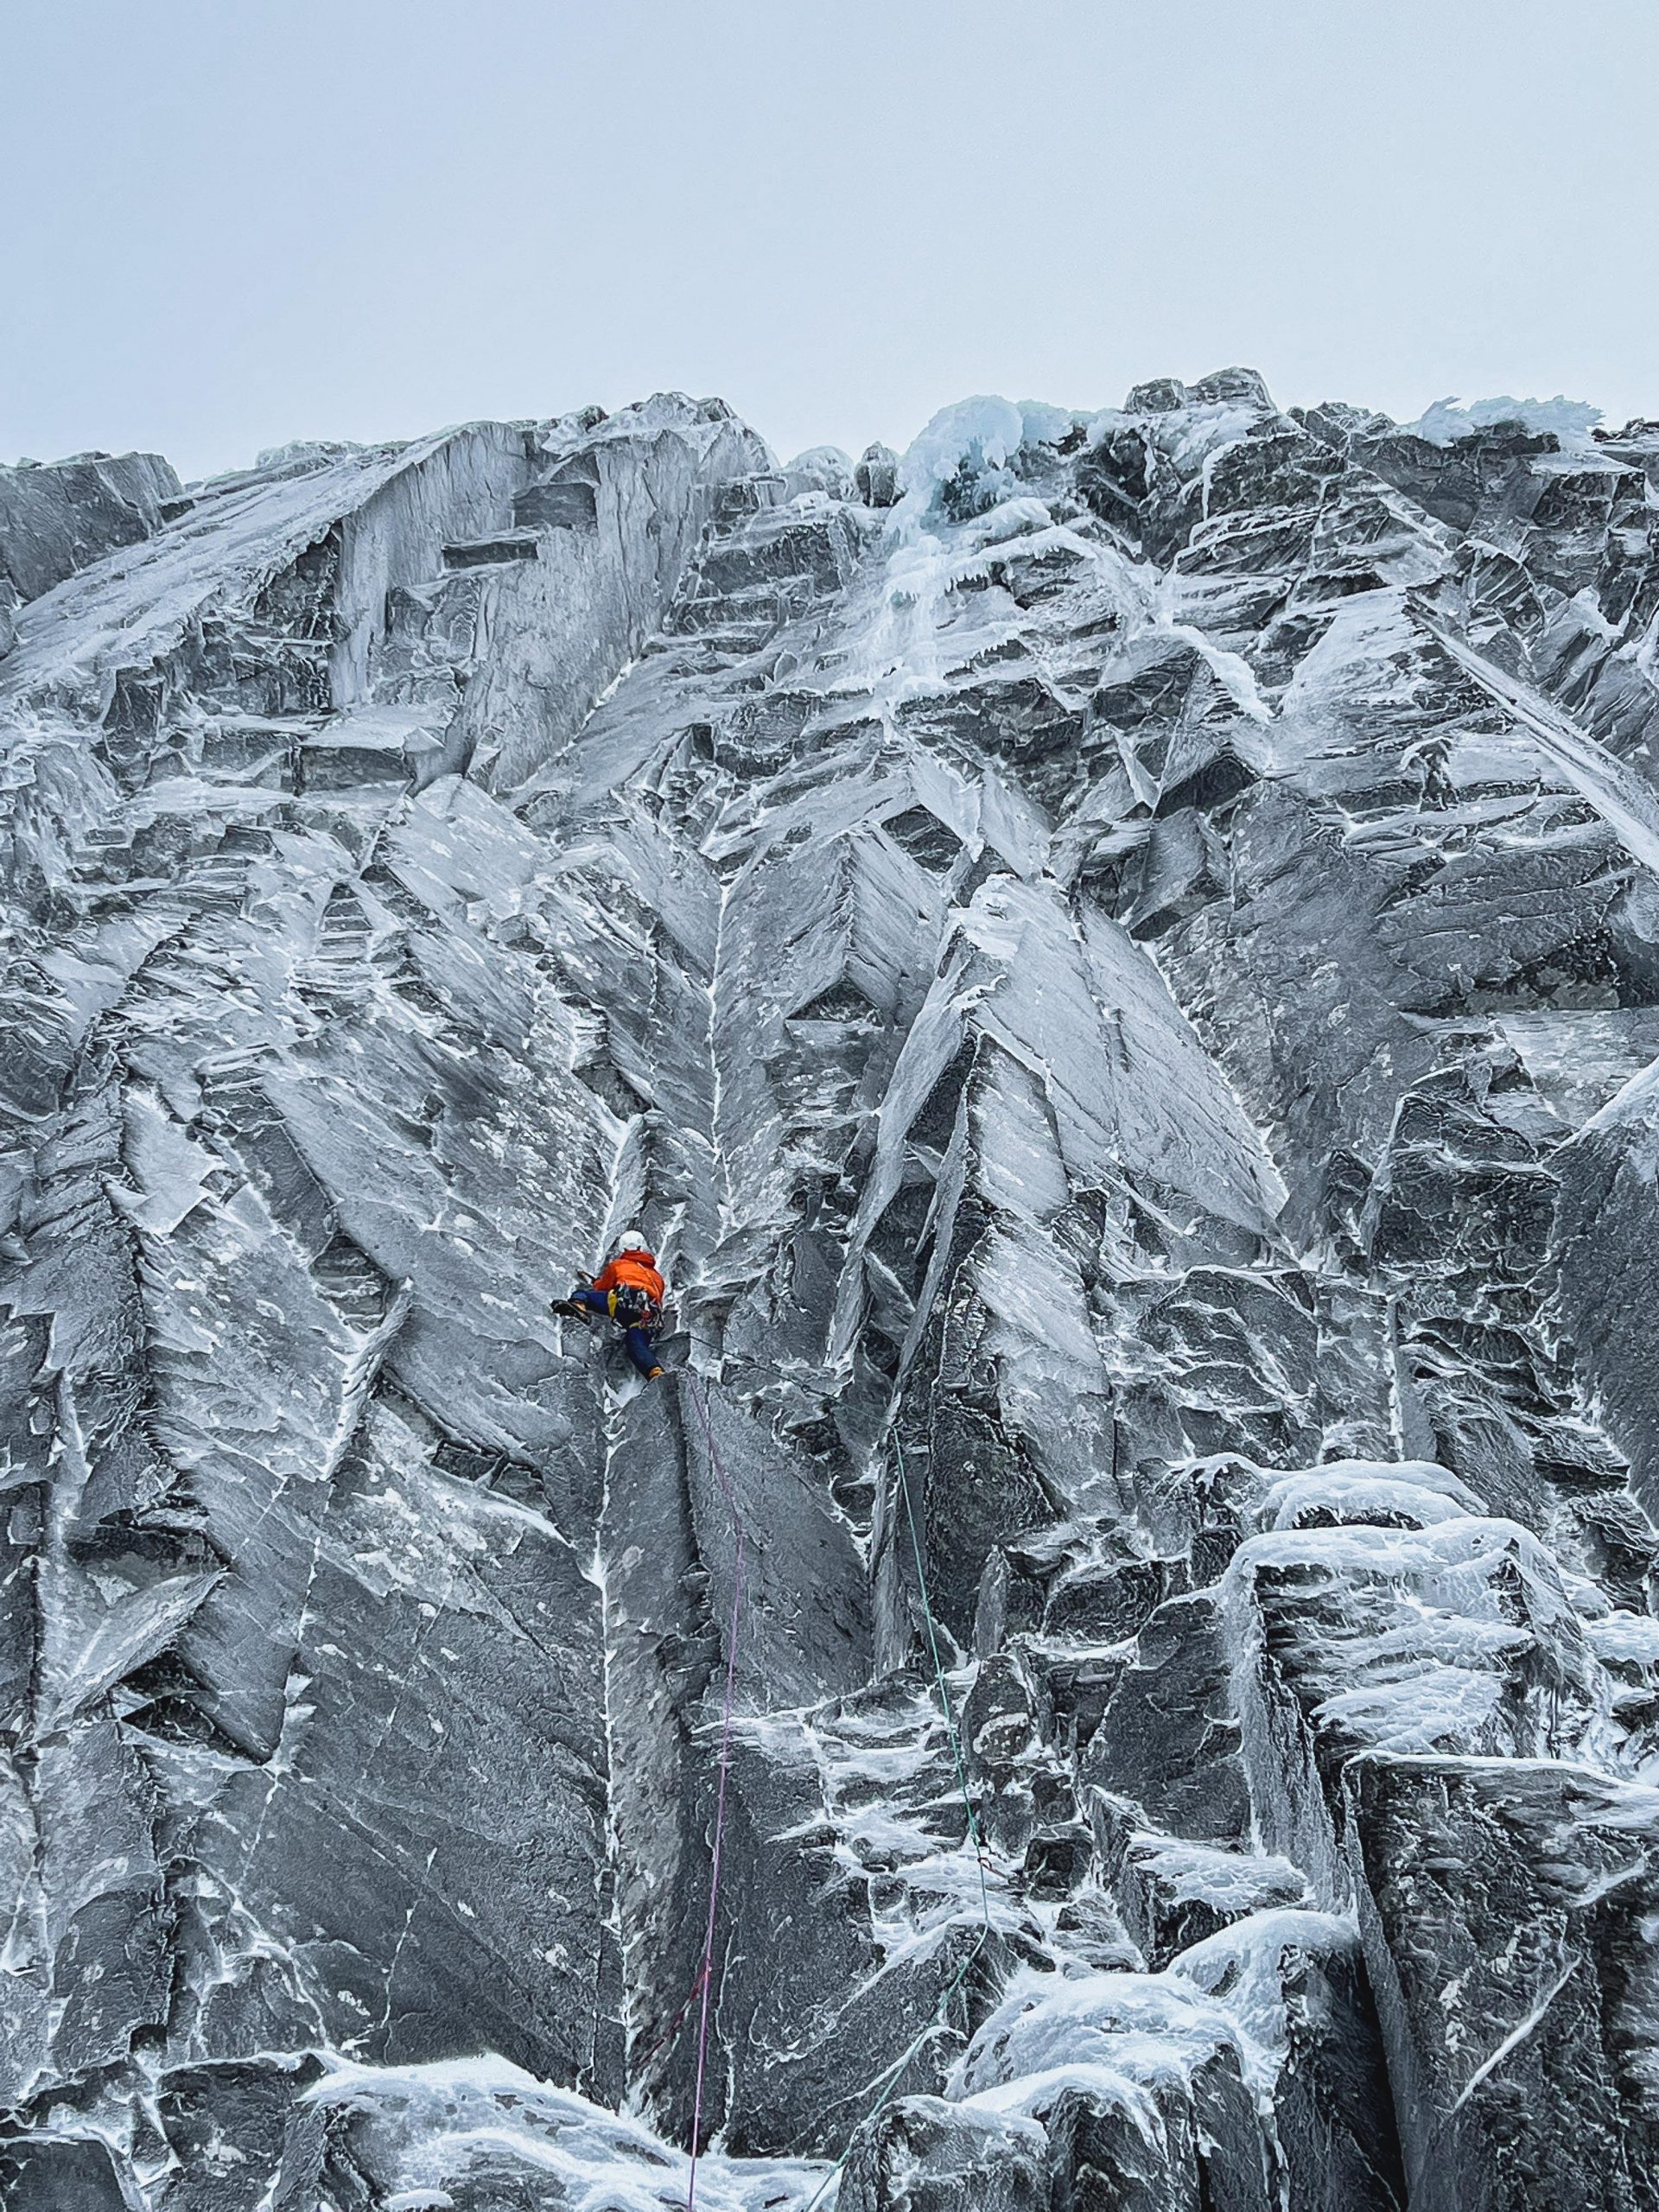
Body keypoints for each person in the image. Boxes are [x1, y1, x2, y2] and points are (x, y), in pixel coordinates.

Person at [554, 1231, 666, 1380]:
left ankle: (578, 1306)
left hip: (624, 1301)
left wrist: (594, 1282)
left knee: (585, 1295)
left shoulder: (618, 1265)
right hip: (648, 1314)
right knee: (636, 1345)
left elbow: (602, 1287)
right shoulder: (657, 1277)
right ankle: (655, 1372)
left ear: (623, 1249)